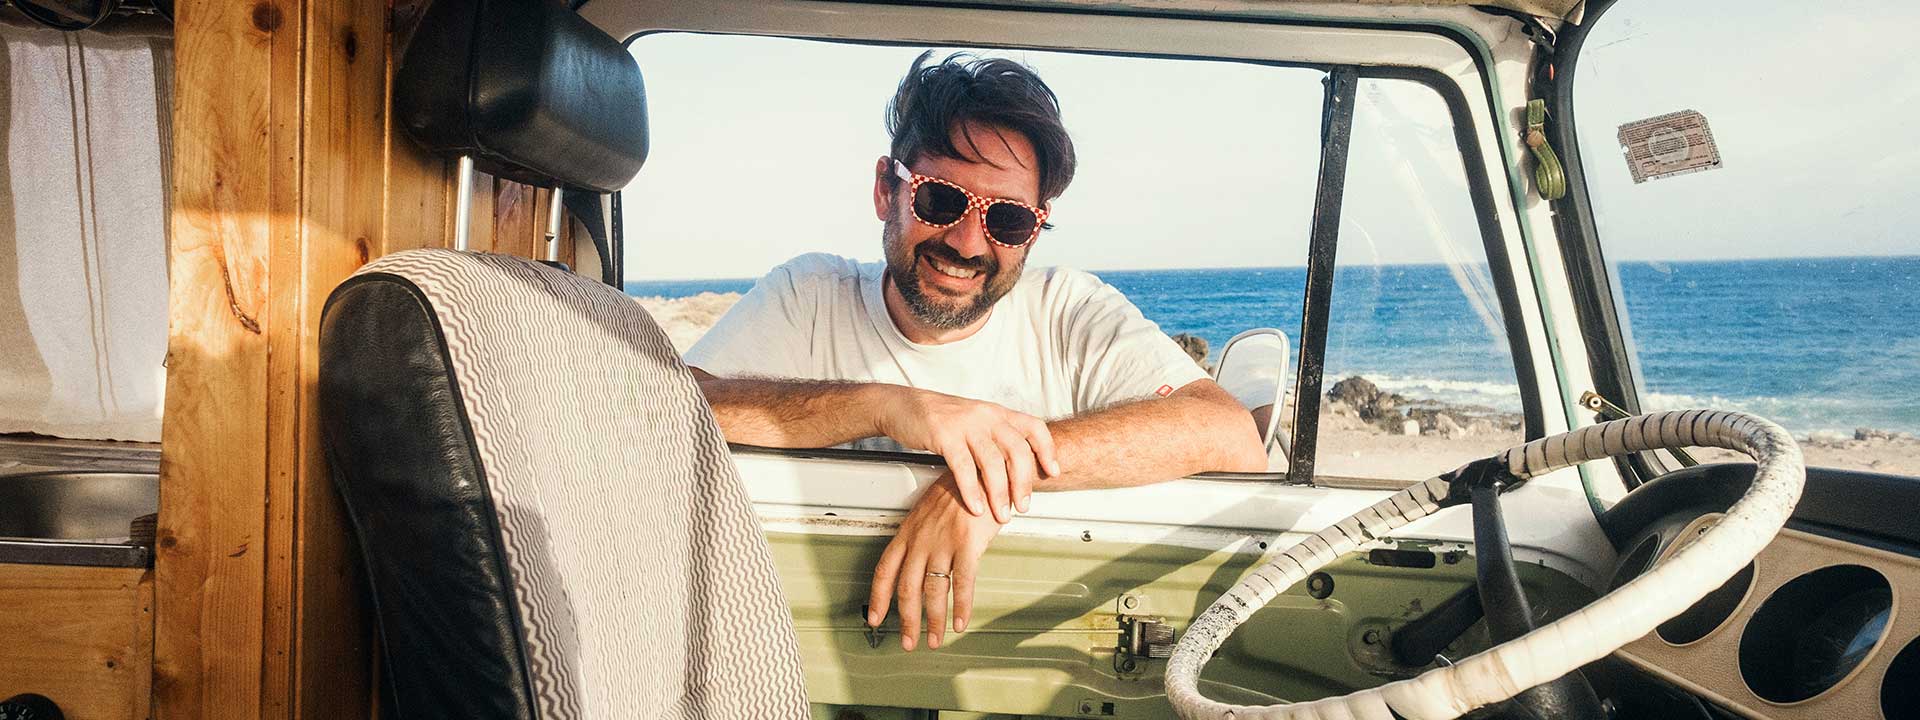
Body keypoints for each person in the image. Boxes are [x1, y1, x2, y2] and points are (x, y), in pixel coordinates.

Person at [685, 51, 1265, 652]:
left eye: (1008, 220)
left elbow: (1228, 432)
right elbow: (668, 405)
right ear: (887, 190)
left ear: (1034, 230)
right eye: (940, 200)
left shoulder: (1066, 309)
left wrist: (994, 478)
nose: (967, 242)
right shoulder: (811, 295)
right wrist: (887, 406)